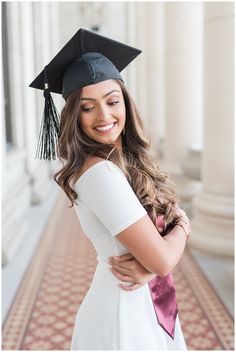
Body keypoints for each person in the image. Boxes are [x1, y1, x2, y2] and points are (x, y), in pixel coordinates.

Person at [30, 28, 190, 350]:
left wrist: (153, 264)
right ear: (74, 116)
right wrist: (184, 226)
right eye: (88, 107)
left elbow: (157, 259)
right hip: (124, 310)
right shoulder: (100, 172)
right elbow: (161, 261)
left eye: (112, 101)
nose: (104, 116)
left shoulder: (120, 161)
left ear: (126, 103)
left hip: (141, 298)